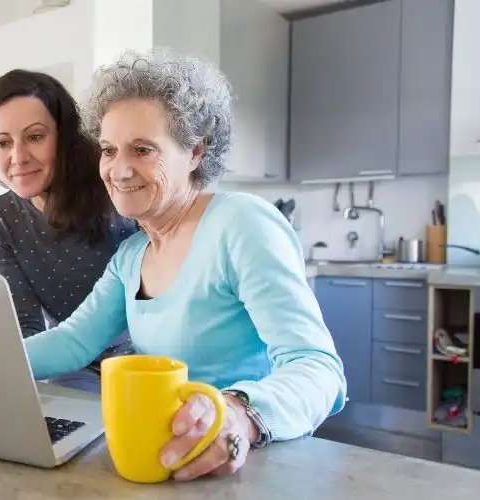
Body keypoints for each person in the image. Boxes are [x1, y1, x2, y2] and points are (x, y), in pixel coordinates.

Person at [22, 49, 346, 481]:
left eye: (142, 150)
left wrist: (239, 415)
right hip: (161, 464)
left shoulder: (241, 224)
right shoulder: (132, 255)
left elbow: (317, 366)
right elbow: (72, 342)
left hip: (248, 465)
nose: (119, 170)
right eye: (109, 150)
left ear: (195, 152)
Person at [0, 69, 139, 392]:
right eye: (3, 143)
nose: (18, 157)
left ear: (64, 137)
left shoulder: (115, 189)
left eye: (35, 137)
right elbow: (25, 327)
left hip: (143, 362)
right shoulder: (0, 219)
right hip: (70, 367)